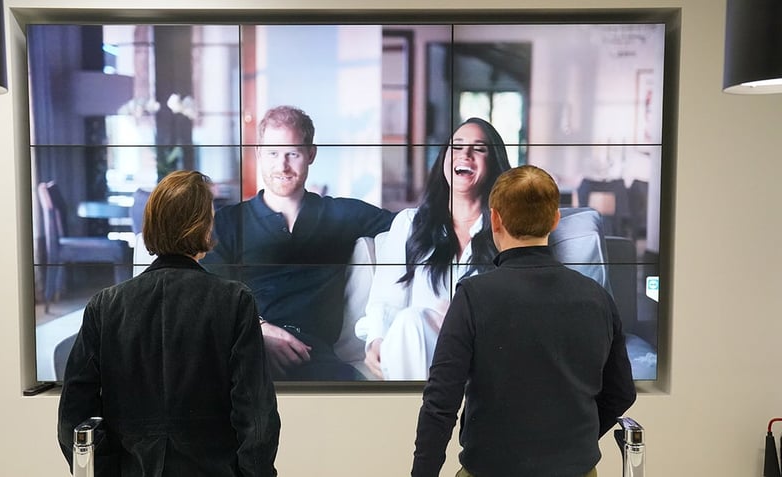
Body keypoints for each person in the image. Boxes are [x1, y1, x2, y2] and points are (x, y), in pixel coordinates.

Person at [411, 165, 636, 477]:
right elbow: (622, 392)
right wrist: (569, 444)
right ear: (555, 220)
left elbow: (440, 403)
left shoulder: (473, 297)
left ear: (495, 219)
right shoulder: (597, 297)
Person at [57, 170, 280, 477]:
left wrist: (107, 470)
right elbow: (255, 415)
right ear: (202, 227)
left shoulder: (105, 306)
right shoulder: (234, 301)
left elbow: (75, 414)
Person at [202, 105, 394, 381]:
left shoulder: (342, 215)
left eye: (292, 153)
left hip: (315, 357)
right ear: (258, 154)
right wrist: (261, 330)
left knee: (360, 404)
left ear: (311, 154)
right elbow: (210, 294)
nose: (282, 165)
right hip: (245, 352)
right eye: (273, 153)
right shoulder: (227, 223)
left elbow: (414, 225)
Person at [355, 118, 511, 380]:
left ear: (494, 163)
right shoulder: (409, 224)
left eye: (479, 148)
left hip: (485, 360)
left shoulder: (509, 231)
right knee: (411, 321)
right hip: (420, 354)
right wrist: (377, 341)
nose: (466, 154)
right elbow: (386, 302)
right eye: (457, 146)